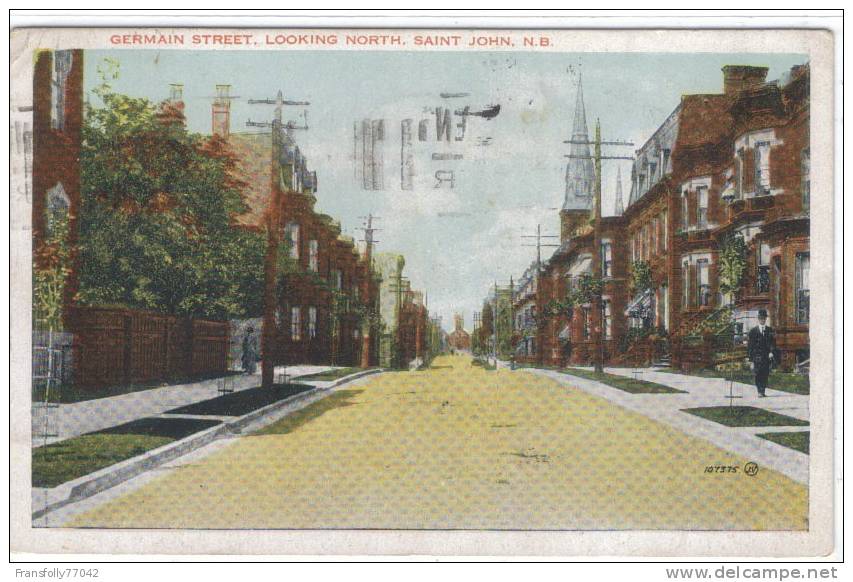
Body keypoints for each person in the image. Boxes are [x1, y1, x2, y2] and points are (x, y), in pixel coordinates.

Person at [747, 309, 776, 397]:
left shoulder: (769, 330)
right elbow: (750, 346)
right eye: (760, 318)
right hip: (757, 356)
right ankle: (759, 391)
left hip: (766, 356)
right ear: (758, 319)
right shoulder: (753, 331)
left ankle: (763, 390)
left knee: (765, 373)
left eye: (764, 318)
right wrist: (750, 360)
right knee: (758, 373)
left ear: (766, 319)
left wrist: (771, 352)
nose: (762, 320)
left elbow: (772, 342)